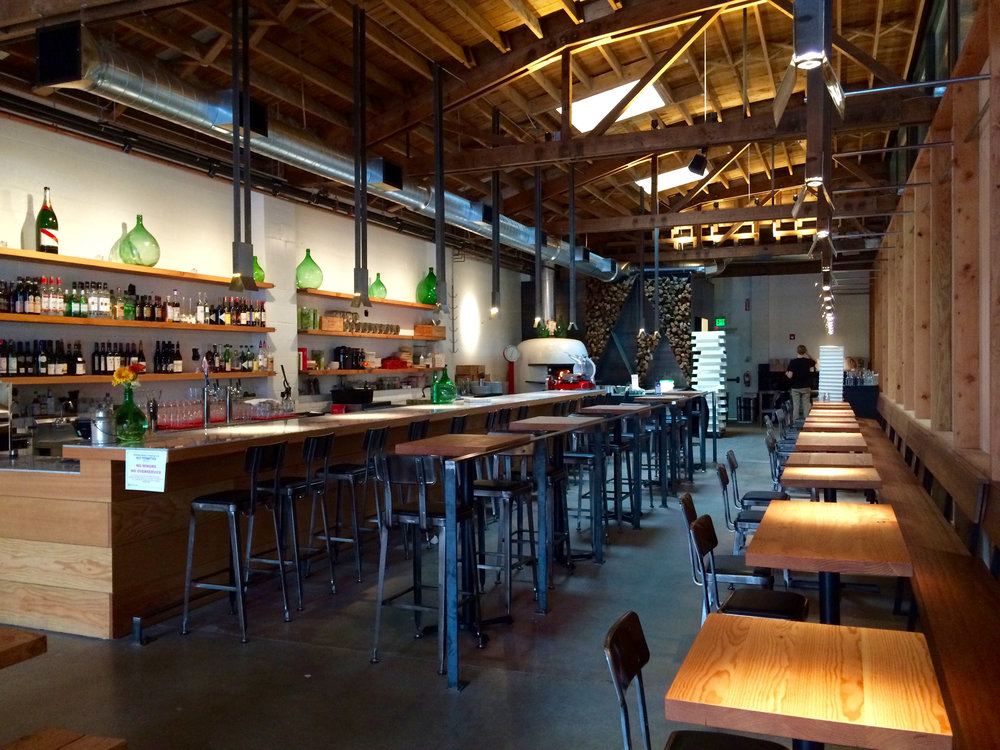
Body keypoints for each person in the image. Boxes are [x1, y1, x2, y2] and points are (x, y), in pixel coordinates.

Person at [785, 344, 817, 421]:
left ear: (797, 351)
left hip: (795, 387)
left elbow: (790, 376)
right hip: (806, 387)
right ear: (804, 351)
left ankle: (796, 422)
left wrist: (786, 373)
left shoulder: (793, 362)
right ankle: (807, 422)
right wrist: (807, 353)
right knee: (806, 405)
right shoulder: (808, 362)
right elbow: (815, 361)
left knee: (796, 406)